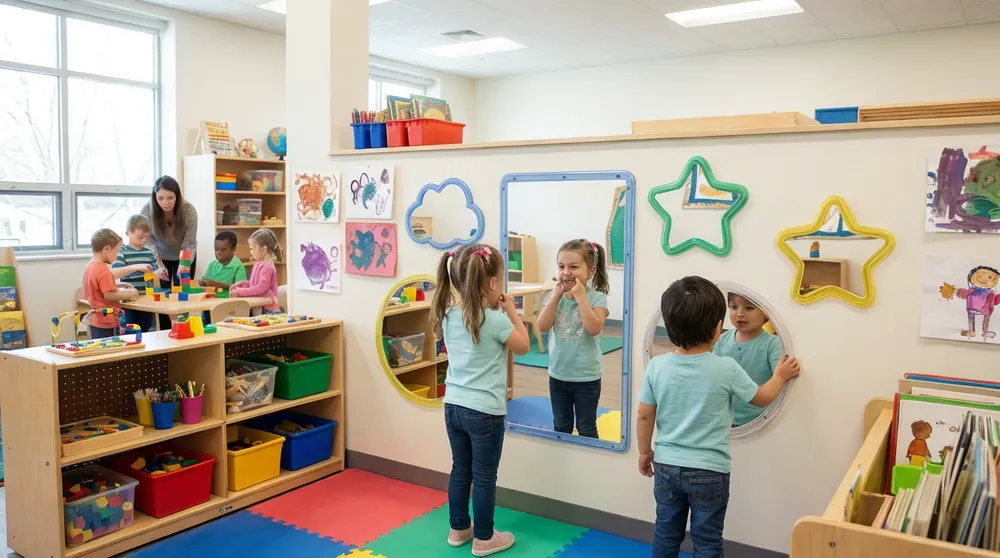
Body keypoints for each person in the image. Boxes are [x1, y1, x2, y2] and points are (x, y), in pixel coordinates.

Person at [637, 277, 800, 558]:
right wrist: (780, 376)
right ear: (716, 330)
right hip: (709, 471)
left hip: (665, 467)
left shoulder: (656, 365)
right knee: (708, 539)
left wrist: (644, 452)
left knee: (666, 532)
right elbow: (761, 397)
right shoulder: (726, 368)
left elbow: (643, 415)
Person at [432, 244, 530, 556]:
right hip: (484, 413)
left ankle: (459, 528)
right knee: (485, 476)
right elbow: (524, 346)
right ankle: (485, 537)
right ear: (492, 284)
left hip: (454, 407)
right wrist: (512, 310)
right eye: (500, 280)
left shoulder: (448, 315)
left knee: (461, 469)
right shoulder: (495, 320)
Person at [536, 239, 610, 438]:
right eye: (562, 266)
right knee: (561, 425)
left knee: (586, 427)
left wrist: (580, 297)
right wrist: (556, 296)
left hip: (587, 378)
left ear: (591, 271)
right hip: (558, 375)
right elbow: (542, 326)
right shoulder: (556, 296)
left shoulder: (597, 298)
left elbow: (594, 327)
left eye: (574, 267)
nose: (566, 272)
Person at [712, 293, 783, 426]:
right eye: (734, 307)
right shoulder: (722, 340)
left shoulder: (772, 344)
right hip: (726, 419)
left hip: (761, 420)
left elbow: (780, 378)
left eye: (749, 308)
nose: (739, 313)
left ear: (767, 313)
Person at [141, 176, 199, 330]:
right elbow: (148, 242)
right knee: (163, 296)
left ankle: (184, 328)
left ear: (177, 196)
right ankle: (166, 331)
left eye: (170, 198)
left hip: (184, 255)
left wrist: (184, 264)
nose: (165, 202)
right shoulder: (147, 211)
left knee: (183, 295)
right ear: (155, 197)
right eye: (160, 198)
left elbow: (189, 243)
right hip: (160, 255)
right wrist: (158, 265)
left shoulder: (188, 210)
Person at [83, 229, 149, 339]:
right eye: (116, 251)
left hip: (95, 319)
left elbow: (98, 289)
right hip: (106, 322)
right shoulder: (103, 271)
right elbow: (109, 295)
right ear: (107, 249)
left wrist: (117, 287)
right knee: (109, 349)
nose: (117, 255)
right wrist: (129, 293)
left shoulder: (90, 267)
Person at [112, 215, 168, 332]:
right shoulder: (122, 252)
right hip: (129, 300)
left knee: (146, 328)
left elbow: (154, 269)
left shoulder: (150, 251)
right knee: (130, 329)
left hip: (146, 297)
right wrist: (137, 267)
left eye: (146, 237)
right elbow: (117, 273)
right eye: (140, 237)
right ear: (128, 232)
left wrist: (159, 271)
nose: (144, 240)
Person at [230, 228, 281, 313]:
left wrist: (239, 291)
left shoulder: (267, 267)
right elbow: (254, 284)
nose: (251, 252)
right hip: (259, 307)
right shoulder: (258, 264)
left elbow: (261, 288)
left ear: (264, 249)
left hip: (267, 310)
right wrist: (242, 284)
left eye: (253, 248)